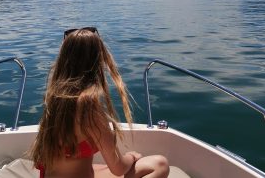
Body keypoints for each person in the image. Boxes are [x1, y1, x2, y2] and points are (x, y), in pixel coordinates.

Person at [30, 27, 170, 178]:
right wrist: (132, 157)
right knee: (160, 164)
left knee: (100, 168)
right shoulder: (87, 104)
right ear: (97, 59)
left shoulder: (54, 98)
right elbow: (118, 168)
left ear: (64, 58)